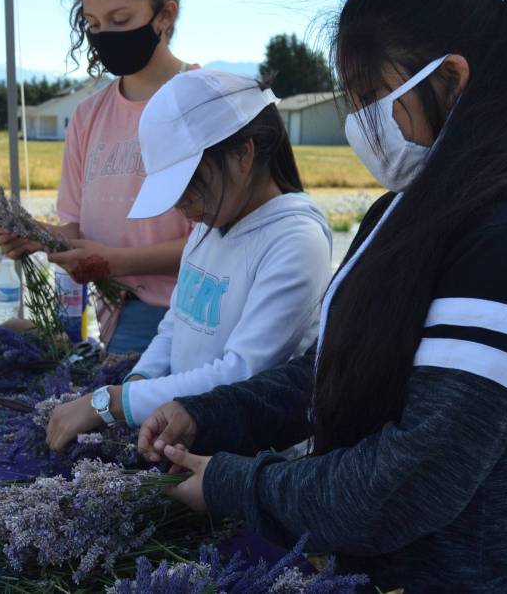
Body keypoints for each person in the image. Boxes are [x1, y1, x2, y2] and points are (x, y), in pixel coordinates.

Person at [137, 0, 507, 593]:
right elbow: (341, 373)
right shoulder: (408, 210)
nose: (359, 122)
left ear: (450, 80)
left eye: (370, 98)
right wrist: (211, 413)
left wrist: (236, 484)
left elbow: (415, 479)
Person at [46, 69, 332, 452]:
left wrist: (114, 403)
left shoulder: (295, 241)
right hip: (186, 436)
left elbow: (243, 372)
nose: (182, 206)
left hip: (247, 463)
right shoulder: (211, 222)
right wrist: (140, 380)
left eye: (186, 185)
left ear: (242, 154)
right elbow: (176, 321)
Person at [0, 0, 195, 353]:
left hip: (182, 315)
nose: (104, 36)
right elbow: (77, 231)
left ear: (165, 15)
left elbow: (217, 241)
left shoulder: (200, 102)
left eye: (120, 20)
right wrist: (38, 236)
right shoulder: (88, 116)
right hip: (112, 314)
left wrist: (115, 262)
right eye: (93, 24)